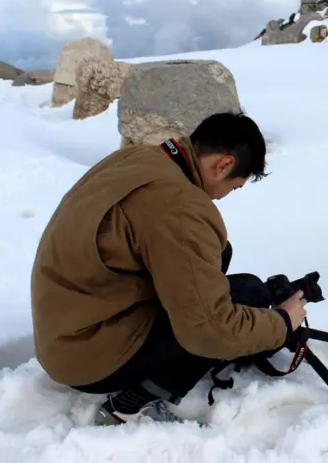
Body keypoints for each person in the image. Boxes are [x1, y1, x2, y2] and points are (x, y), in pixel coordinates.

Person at [30, 111, 307, 425]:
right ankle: (129, 405)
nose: (225, 196)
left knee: (218, 255)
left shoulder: (140, 159)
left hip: (65, 332)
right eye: (234, 187)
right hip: (89, 357)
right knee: (247, 294)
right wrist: (282, 323)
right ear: (224, 165)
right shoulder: (180, 206)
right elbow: (208, 329)